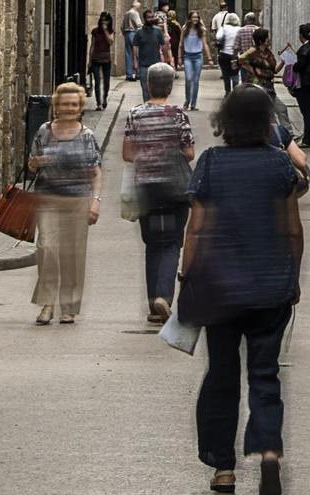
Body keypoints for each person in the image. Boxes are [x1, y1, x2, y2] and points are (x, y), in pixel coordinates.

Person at [183, 83, 303, 495]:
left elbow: (196, 229)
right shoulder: (278, 165)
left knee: (221, 372)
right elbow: (292, 229)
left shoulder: (212, 163)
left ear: (225, 122)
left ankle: (224, 468)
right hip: (271, 287)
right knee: (265, 372)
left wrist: (186, 276)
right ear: (267, 121)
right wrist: (294, 276)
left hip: (221, 289)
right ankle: (269, 451)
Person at [121, 63, 196, 323]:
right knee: (172, 243)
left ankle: (154, 303)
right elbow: (189, 153)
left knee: (153, 244)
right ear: (169, 87)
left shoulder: (134, 114)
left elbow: (127, 154)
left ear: (148, 85)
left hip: (147, 190)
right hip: (175, 191)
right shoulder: (177, 115)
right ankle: (164, 296)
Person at [27, 82, 102, 325]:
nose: (69, 108)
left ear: (80, 107)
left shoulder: (87, 135)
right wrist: (36, 163)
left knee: (73, 255)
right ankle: (47, 304)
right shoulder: (44, 131)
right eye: (64, 104)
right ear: (55, 106)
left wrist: (95, 202)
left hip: (78, 200)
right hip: (48, 198)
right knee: (46, 249)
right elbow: (30, 165)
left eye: (74, 104)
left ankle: (68, 307)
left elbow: (95, 172)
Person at [237, 28, 294, 134]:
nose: (269, 40)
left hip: (269, 87)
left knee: (281, 109)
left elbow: (274, 70)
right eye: (267, 38)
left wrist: (283, 62)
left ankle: (288, 134)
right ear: (261, 40)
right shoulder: (253, 51)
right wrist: (254, 70)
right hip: (259, 86)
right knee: (270, 113)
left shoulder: (269, 53)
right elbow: (240, 60)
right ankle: (277, 136)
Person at [180, 10, 213, 111]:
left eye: (197, 17)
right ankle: (187, 100)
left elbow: (205, 44)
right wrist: (179, 58)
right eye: (193, 17)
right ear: (189, 18)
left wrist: (210, 58)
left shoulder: (201, 29)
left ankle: (193, 104)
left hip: (198, 57)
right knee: (188, 79)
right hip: (187, 57)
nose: (195, 19)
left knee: (195, 81)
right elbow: (181, 44)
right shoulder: (184, 29)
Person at [133, 10, 168, 102]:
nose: (151, 19)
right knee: (145, 89)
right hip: (143, 65)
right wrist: (135, 62)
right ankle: (146, 107)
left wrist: (166, 60)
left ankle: (154, 106)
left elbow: (163, 46)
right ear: (144, 19)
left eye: (152, 17)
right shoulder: (139, 32)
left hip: (156, 65)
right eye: (148, 17)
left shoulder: (158, 31)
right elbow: (135, 47)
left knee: (155, 89)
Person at [88, 12, 115, 111]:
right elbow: (92, 45)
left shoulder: (111, 31)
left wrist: (105, 31)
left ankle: (104, 98)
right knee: (97, 81)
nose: (104, 22)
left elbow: (110, 42)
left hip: (106, 59)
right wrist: (90, 60)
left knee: (106, 82)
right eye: (103, 20)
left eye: (106, 20)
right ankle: (98, 103)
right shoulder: (95, 31)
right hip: (96, 58)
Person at [215, 13, 241, 95]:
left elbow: (218, 37)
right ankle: (235, 91)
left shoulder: (224, 28)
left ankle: (227, 91)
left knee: (225, 74)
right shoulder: (239, 29)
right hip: (235, 55)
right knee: (235, 74)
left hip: (224, 54)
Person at [232, 12, 259, 83]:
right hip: (257, 59)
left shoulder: (240, 31)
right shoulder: (259, 30)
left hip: (244, 59)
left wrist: (235, 58)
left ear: (245, 20)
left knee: (245, 80)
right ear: (255, 20)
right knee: (256, 79)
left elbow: (236, 47)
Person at [121, 2, 142, 82]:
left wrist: (125, 33)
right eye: (139, 7)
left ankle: (129, 74)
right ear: (137, 7)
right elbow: (139, 25)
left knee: (128, 54)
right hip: (134, 33)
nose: (140, 8)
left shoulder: (126, 13)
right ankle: (138, 73)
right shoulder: (135, 13)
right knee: (137, 53)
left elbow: (122, 26)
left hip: (127, 34)